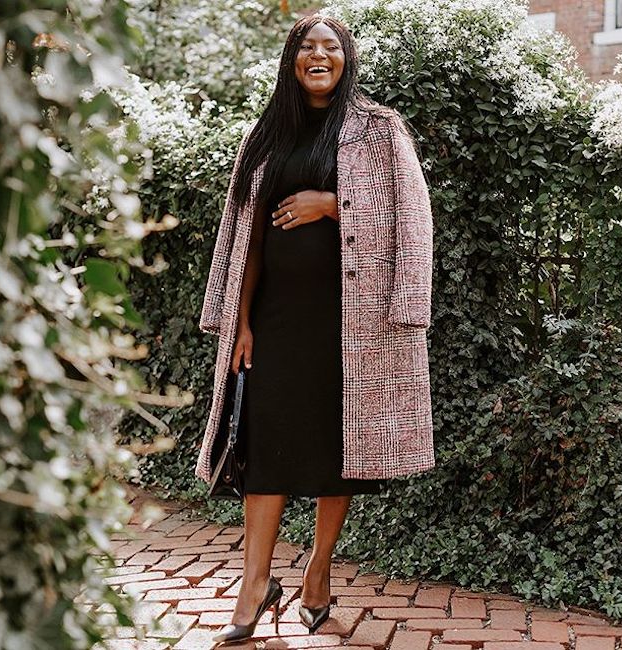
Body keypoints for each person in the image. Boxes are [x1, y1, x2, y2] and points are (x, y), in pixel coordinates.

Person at [196, 13, 435, 647]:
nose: (319, 55)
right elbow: (245, 235)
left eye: (331, 46)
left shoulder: (380, 128)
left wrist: (331, 204)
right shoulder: (267, 132)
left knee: (339, 452)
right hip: (276, 319)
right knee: (264, 447)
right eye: (307, 46)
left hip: (354, 320)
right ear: (292, 60)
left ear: (346, 58)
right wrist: (240, 321)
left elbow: (413, 216)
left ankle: (318, 574)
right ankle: (254, 585)